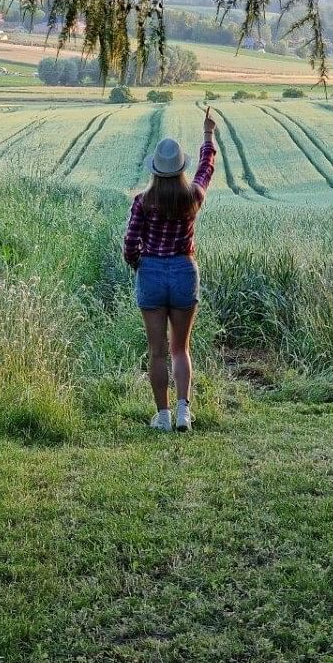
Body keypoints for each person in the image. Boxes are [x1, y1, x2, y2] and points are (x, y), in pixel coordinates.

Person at [122, 108, 217, 432]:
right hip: (183, 271)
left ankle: (161, 416)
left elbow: (130, 244)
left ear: (155, 170)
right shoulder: (192, 197)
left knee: (157, 351)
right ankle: (183, 413)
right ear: (179, 168)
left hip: (151, 273)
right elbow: (206, 168)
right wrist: (208, 134)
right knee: (180, 348)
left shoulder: (142, 201)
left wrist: (140, 265)